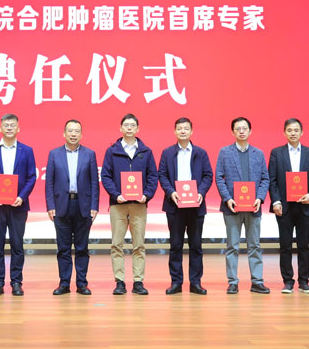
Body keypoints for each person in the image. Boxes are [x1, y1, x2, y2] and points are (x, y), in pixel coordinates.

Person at [101, 113, 159, 296]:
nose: (129, 128)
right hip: (118, 204)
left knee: (139, 245)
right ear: (121, 128)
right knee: (117, 244)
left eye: (132, 125)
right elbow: (105, 176)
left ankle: (138, 282)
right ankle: (119, 282)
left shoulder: (146, 151)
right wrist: (115, 194)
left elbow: (153, 176)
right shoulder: (112, 151)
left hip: (139, 205)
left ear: (137, 129)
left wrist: (147, 195)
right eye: (126, 125)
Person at [0, 114, 37, 296]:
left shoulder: (26, 150)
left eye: (13, 125)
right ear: (1, 128)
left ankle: (16, 282)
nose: (9, 128)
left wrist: (22, 196)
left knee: (17, 245)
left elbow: (31, 177)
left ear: (18, 128)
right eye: (6, 125)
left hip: (18, 206)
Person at [158, 117, 214, 295]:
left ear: (191, 131)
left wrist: (201, 192)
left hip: (196, 205)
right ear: (175, 131)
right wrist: (170, 192)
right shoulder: (167, 153)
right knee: (175, 245)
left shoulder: (200, 153)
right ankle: (176, 282)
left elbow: (208, 175)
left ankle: (195, 282)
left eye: (186, 128)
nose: (183, 131)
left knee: (196, 245)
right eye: (179, 128)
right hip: (174, 205)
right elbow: (162, 175)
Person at [216, 117, 271, 295]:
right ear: (232, 132)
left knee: (254, 245)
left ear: (250, 131)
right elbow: (219, 177)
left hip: (253, 207)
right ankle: (233, 282)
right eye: (238, 128)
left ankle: (257, 281)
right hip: (232, 207)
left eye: (244, 128)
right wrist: (227, 198)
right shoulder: (225, 152)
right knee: (232, 246)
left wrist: (260, 198)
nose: (241, 131)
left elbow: (265, 178)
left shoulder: (258, 153)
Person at [268, 118, 309, 294]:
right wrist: (276, 201)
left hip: (305, 205)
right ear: (284, 133)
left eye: (296, 130)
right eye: (289, 130)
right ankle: (288, 281)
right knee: (285, 246)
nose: (293, 133)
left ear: (302, 132)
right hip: (284, 207)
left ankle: (304, 281)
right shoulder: (276, 153)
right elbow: (272, 180)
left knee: (304, 245)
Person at [45, 119, 99, 295]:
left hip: (83, 206)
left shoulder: (89, 154)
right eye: (70, 131)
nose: (73, 134)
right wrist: (50, 205)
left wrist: (94, 206)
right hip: (61, 206)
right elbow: (49, 182)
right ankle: (64, 283)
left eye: (77, 131)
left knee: (82, 248)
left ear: (81, 135)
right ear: (64, 133)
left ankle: (82, 283)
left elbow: (94, 182)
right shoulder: (54, 154)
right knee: (63, 248)